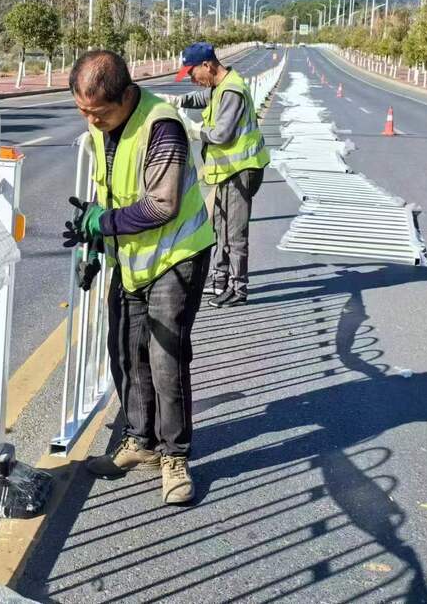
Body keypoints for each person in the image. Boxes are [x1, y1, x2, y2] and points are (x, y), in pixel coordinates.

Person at [64, 49, 214, 506]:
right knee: (126, 352)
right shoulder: (100, 125)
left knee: (165, 356)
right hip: (131, 260)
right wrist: (94, 245)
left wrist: (102, 224)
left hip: (176, 256)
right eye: (83, 110)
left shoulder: (161, 126)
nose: (91, 118)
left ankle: (175, 455)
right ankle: (139, 441)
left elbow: (161, 205)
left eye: (99, 111)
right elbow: (107, 189)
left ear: (127, 95)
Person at [165, 42, 270, 308]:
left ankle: (238, 288)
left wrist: (194, 130)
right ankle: (220, 279)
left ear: (207, 65)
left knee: (234, 232)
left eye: (192, 73)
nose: (192, 79)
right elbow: (204, 97)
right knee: (220, 226)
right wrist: (180, 100)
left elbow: (222, 135)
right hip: (227, 171)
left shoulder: (232, 90)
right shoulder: (219, 87)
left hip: (241, 171)